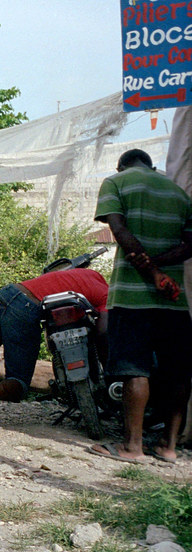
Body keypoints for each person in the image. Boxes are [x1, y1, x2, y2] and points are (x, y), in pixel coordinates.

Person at [87, 148, 192, 464]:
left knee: (135, 369)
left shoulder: (116, 182)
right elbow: (190, 245)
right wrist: (160, 265)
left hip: (132, 298)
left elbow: (118, 231)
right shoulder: (178, 192)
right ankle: (168, 447)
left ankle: (132, 448)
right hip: (175, 303)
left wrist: (150, 270)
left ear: (121, 166)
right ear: (152, 166)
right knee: (177, 373)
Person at [0, 268, 108, 430]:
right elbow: (103, 332)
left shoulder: (92, 275)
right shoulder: (107, 295)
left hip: (6, 293)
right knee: (19, 382)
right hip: (25, 307)